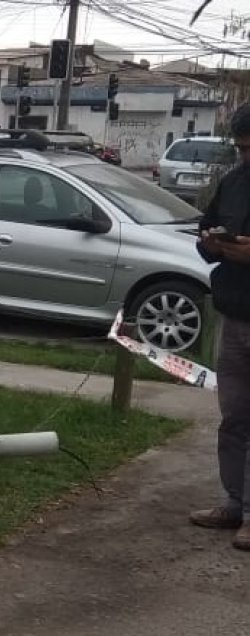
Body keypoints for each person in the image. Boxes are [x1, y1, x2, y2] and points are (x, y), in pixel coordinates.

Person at [189, 102, 250, 550]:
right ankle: (233, 502)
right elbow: (205, 230)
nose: (246, 155)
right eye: (242, 147)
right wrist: (212, 243)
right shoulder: (233, 181)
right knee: (233, 418)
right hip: (234, 314)